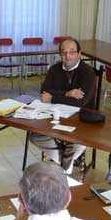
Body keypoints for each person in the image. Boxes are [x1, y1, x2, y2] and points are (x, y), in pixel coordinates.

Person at [29, 38, 97, 174]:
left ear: (79, 53)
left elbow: (80, 102)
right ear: (60, 54)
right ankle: (65, 162)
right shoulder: (54, 69)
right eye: (64, 52)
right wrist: (67, 94)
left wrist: (53, 97)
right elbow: (44, 93)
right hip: (54, 116)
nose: (68, 56)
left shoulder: (88, 72)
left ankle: (62, 165)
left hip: (81, 119)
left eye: (72, 52)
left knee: (78, 141)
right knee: (34, 136)